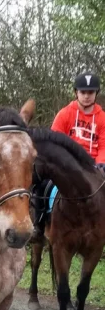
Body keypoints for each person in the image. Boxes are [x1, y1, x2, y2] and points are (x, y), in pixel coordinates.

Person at [33, 71, 105, 238]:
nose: (86, 96)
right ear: (76, 93)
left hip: (94, 166)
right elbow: (54, 143)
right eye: (83, 92)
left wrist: (100, 164)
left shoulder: (102, 118)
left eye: (90, 92)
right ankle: (39, 224)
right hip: (66, 166)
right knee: (42, 185)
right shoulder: (65, 114)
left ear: (96, 94)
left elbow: (103, 146)